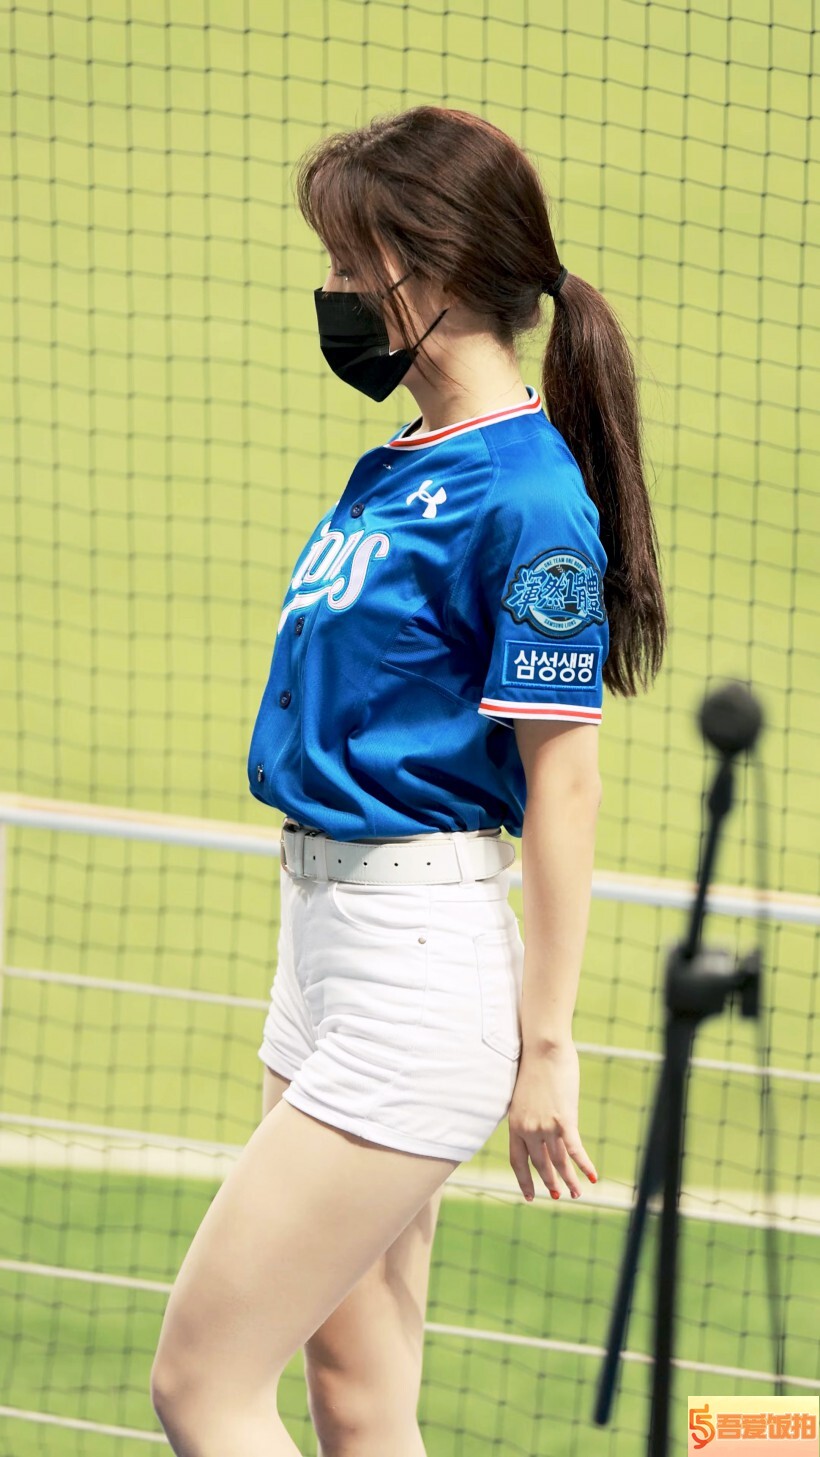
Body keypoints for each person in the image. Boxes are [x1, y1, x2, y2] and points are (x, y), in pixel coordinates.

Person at [150, 104, 666, 1457]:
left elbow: (566, 786)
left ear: (428, 269)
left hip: (415, 971)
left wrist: (546, 1046)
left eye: (346, 260)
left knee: (200, 1385)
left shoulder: (531, 500)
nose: (329, 289)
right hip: (322, 953)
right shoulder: (394, 467)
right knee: (359, 1398)